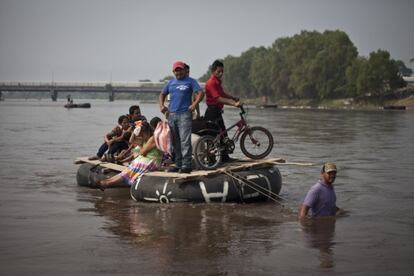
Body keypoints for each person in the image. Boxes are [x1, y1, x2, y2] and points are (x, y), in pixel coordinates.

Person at [159, 61, 204, 173]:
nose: (178, 72)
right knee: (175, 142)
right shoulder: (171, 83)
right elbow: (162, 94)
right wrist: (161, 105)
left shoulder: (190, 81)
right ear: (173, 71)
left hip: (185, 114)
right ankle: (178, 164)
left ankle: (186, 165)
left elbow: (200, 93)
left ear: (184, 70)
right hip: (172, 115)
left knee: (185, 141)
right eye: (176, 70)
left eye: (180, 70)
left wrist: (194, 104)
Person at [95, 121, 163, 190]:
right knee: (129, 168)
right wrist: (134, 133)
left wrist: (140, 147)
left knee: (133, 167)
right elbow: (132, 141)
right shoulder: (146, 139)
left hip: (153, 161)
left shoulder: (152, 138)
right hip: (146, 159)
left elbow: (142, 152)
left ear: (146, 131)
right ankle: (107, 181)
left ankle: (108, 183)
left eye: (142, 134)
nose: (141, 136)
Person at [204, 59, 241, 162]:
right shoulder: (211, 83)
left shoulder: (217, 82)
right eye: (218, 71)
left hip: (217, 112)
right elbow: (218, 98)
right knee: (213, 136)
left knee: (223, 135)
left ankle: (225, 158)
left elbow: (222, 94)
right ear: (213, 71)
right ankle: (211, 160)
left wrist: (233, 97)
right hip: (212, 112)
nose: (221, 74)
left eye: (222, 72)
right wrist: (234, 104)